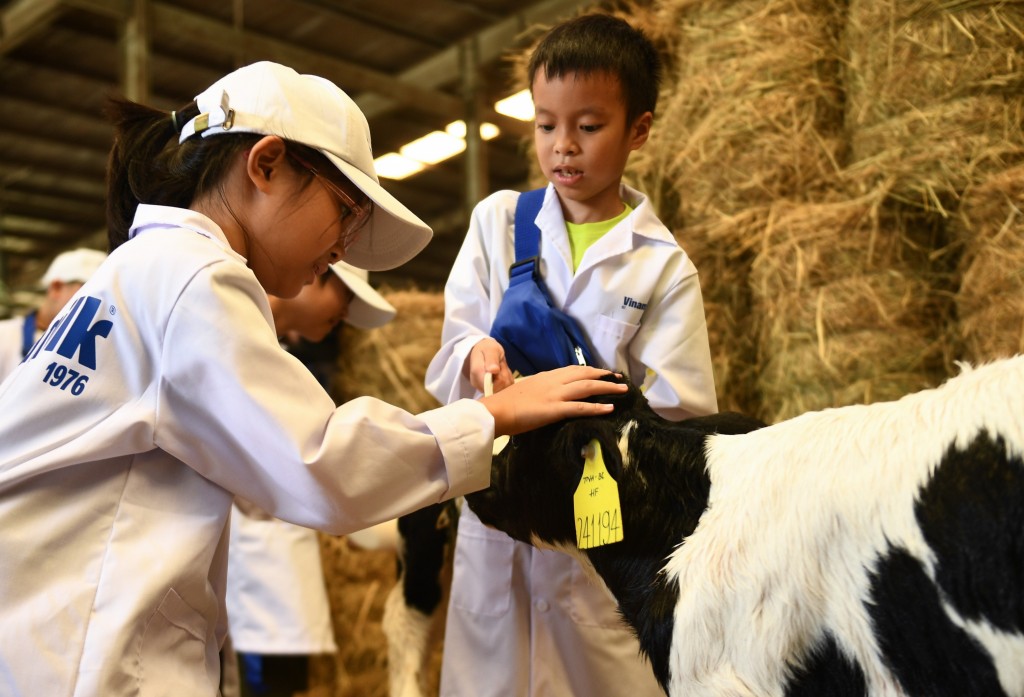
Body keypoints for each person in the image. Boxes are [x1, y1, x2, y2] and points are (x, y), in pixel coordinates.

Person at [0, 60, 627, 697]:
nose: (344, 249)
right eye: (347, 212)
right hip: (81, 651)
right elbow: (319, 462)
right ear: (266, 165)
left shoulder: (141, 267)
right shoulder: (199, 277)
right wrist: (494, 416)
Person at [424, 14, 718, 696]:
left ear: (638, 129)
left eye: (588, 127)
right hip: (499, 526)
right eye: (546, 125)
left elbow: (682, 412)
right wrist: (477, 355)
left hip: (601, 545)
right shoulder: (498, 223)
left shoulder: (662, 267)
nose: (564, 148)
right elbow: (451, 347)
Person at [226, 261, 396, 697]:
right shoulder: (230, 329)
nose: (346, 313)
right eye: (346, 296)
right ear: (315, 270)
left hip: (259, 563)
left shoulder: (271, 348)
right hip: (237, 565)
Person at [0, 247, 106, 384]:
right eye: (89, 290)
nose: (99, 301)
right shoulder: (4, 336)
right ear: (56, 288)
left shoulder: (96, 349)